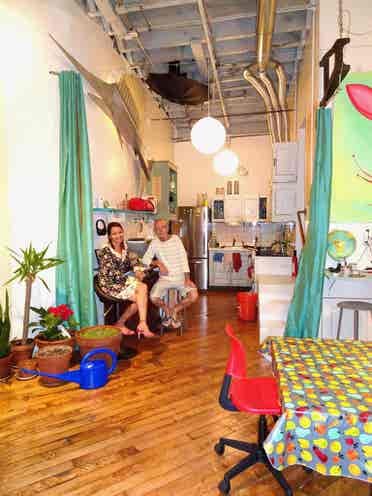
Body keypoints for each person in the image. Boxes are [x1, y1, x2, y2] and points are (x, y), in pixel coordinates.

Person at [98, 222, 155, 338]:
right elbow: (112, 274)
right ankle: (143, 324)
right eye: (114, 234)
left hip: (121, 281)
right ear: (109, 236)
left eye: (120, 232)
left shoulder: (124, 246)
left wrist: (137, 270)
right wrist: (133, 277)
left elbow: (130, 262)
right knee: (142, 288)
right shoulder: (105, 251)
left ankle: (120, 323)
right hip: (110, 284)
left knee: (140, 299)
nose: (118, 236)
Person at [142, 219, 198, 327]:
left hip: (180, 278)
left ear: (167, 228)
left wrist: (187, 279)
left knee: (194, 296)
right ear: (154, 230)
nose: (160, 231)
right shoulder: (155, 242)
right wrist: (158, 263)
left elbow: (183, 259)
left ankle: (175, 310)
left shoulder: (176, 239)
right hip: (165, 279)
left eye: (163, 227)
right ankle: (167, 310)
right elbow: (145, 259)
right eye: (157, 229)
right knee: (153, 297)